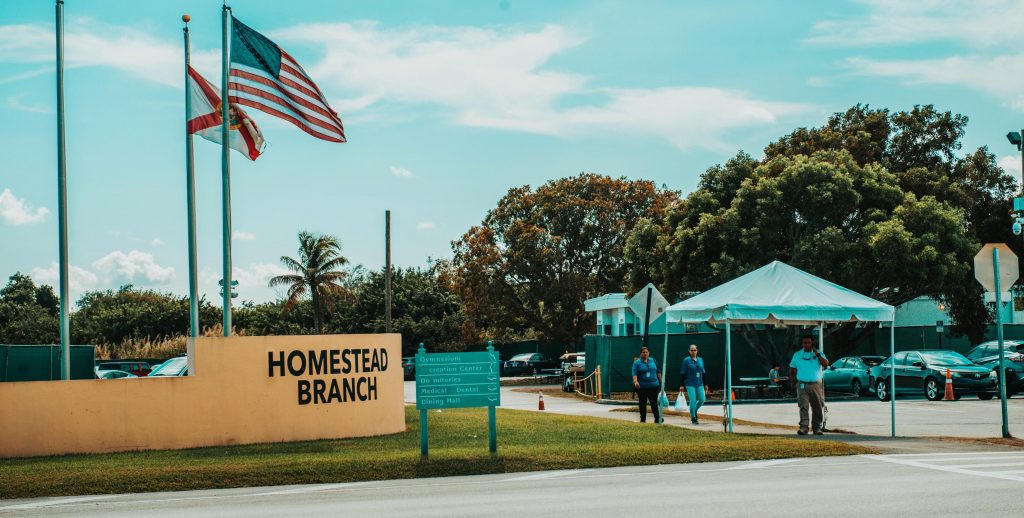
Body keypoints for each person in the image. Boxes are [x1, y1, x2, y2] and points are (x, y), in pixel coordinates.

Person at [789, 334, 829, 435]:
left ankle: (817, 428)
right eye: (804, 343)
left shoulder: (818, 353)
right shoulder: (797, 354)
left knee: (818, 406)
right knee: (803, 406)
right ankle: (804, 427)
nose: (806, 345)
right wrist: (793, 381)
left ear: (812, 343)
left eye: (808, 343)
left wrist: (817, 354)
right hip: (802, 384)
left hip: (816, 384)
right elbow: (792, 369)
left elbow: (825, 364)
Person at [631, 347, 662, 423]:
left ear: (649, 353)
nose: (645, 354)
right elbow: (634, 373)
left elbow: (658, 371)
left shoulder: (653, 360)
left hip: (654, 386)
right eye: (643, 352)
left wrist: (661, 381)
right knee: (642, 403)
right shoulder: (637, 363)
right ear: (641, 353)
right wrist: (636, 382)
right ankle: (643, 419)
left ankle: (657, 418)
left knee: (654, 402)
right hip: (642, 387)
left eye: (646, 352)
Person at [678, 344, 707, 424]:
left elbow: (703, 372)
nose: (693, 351)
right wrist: (681, 385)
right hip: (690, 383)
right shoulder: (686, 360)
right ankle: (693, 417)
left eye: (695, 350)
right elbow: (683, 373)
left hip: (699, 382)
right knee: (693, 400)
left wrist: (706, 384)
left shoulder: (700, 360)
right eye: (692, 350)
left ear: (697, 351)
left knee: (702, 399)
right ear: (689, 351)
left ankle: (694, 411)